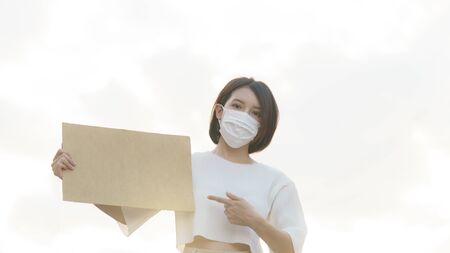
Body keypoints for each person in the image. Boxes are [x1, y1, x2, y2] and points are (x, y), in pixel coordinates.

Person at [51, 77, 307, 253]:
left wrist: (255, 221)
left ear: (264, 124)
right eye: (237, 106)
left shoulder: (276, 182)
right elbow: (127, 212)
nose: (244, 116)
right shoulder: (186, 165)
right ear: (220, 112)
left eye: (256, 113)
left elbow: (291, 248)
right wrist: (75, 176)